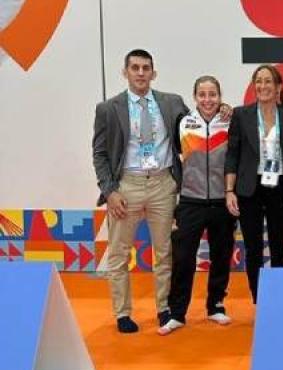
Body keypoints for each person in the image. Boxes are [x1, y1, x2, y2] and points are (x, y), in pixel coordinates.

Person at [92, 49, 188, 333]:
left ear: (153, 73)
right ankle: (122, 313)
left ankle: (164, 308)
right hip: (127, 186)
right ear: (125, 72)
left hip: (163, 184)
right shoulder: (109, 108)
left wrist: (222, 111)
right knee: (119, 254)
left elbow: (194, 129)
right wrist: (110, 191)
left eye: (146, 68)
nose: (141, 73)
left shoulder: (172, 103)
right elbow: (99, 154)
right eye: (135, 68)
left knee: (165, 252)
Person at [158, 76, 236, 335]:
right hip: (190, 200)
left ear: (220, 96)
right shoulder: (182, 122)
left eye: (212, 94)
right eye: (202, 94)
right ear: (194, 97)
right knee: (182, 258)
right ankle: (177, 312)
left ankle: (215, 305)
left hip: (221, 201)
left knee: (221, 256)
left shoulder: (230, 120)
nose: (207, 100)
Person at [224, 65, 283, 302]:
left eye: (268, 82)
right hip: (248, 189)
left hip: (279, 187)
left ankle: (280, 298)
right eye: (259, 81)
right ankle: (259, 298)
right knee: (253, 248)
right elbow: (232, 155)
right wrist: (229, 190)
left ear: (278, 87)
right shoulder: (241, 114)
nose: (263, 86)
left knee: (279, 247)